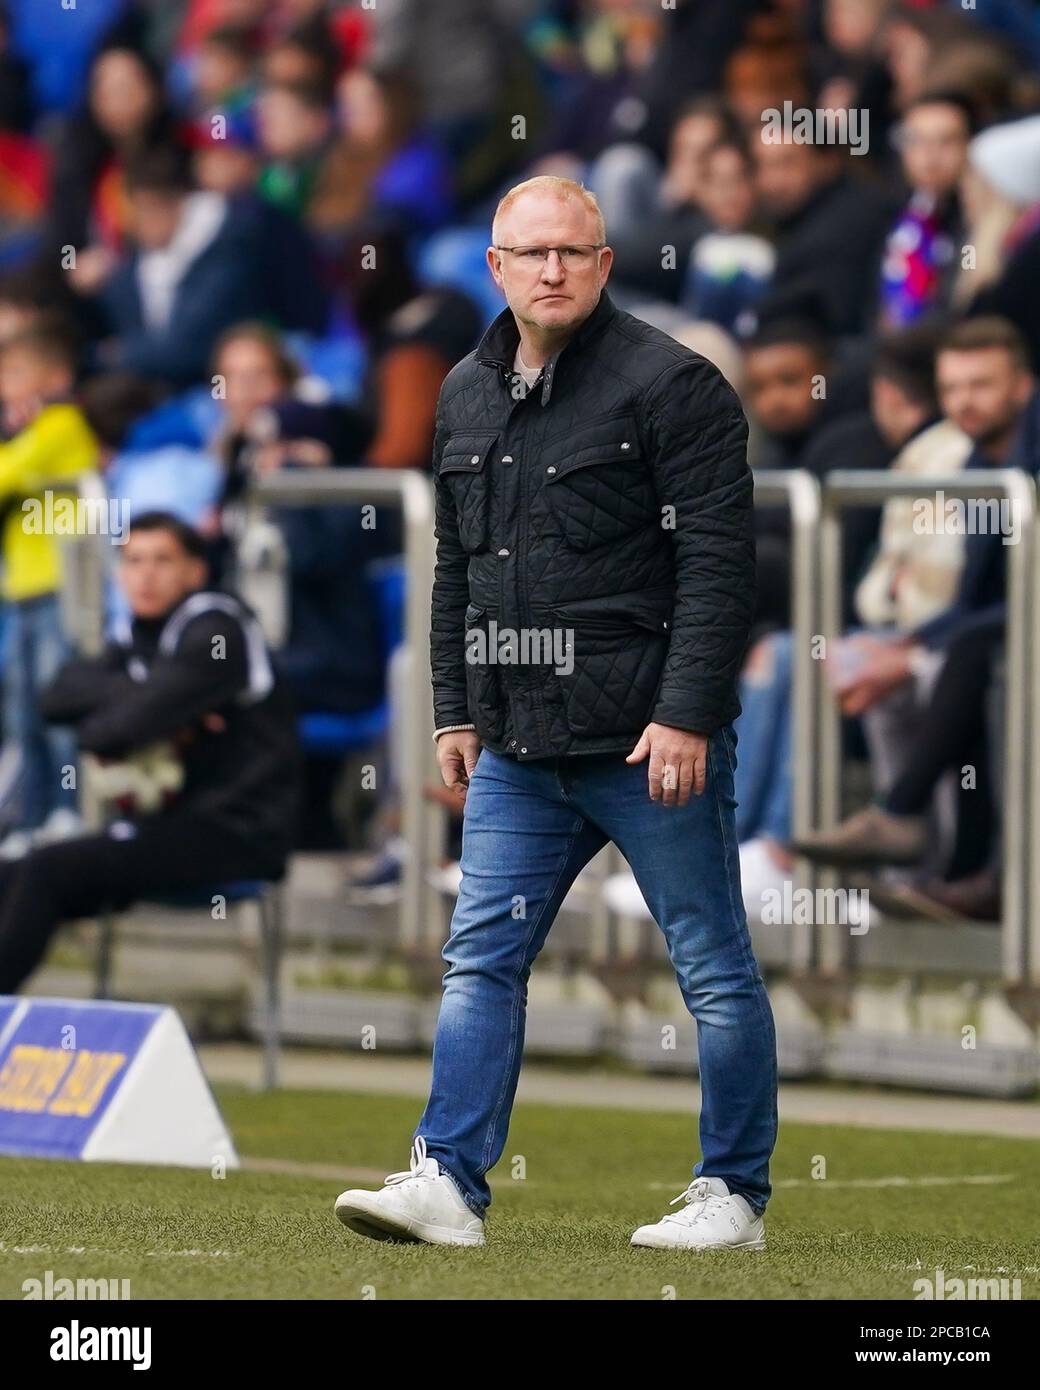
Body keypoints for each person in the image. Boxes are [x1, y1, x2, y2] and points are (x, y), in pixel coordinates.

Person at [334, 175, 775, 1252]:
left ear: (605, 262)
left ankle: (732, 1195)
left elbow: (719, 572)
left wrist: (683, 715)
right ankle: (445, 1181)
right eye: (530, 254)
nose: (552, 270)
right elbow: (457, 571)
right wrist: (454, 708)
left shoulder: (676, 386)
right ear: (494, 267)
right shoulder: (461, 392)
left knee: (710, 964)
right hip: (520, 744)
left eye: (573, 252)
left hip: (644, 738)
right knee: (478, 958)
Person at [0, 511, 301, 992]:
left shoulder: (217, 629)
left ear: (195, 571)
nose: (146, 574)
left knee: (45, 871)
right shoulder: (136, 632)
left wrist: (136, 707)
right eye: (134, 560)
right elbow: (55, 697)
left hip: (237, 831)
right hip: (165, 826)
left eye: (163, 560)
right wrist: (146, 695)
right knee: (11, 871)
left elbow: (113, 732)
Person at [0, 318, 98, 855]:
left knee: (59, 705)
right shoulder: (21, 436)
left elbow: (5, 478)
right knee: (24, 713)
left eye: (14, 372)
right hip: (22, 593)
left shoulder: (60, 423)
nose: (4, 384)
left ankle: (69, 810)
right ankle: (30, 820)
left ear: (55, 377)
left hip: (63, 590)